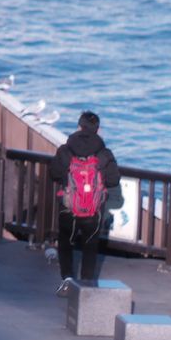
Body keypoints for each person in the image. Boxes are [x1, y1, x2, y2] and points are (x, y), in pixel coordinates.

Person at [49, 110, 122, 294]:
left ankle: (67, 279)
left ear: (79, 127)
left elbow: (54, 174)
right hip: (94, 209)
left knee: (65, 242)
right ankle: (87, 287)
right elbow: (114, 180)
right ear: (98, 130)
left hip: (68, 207)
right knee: (90, 246)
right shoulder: (104, 154)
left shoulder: (65, 150)